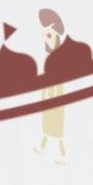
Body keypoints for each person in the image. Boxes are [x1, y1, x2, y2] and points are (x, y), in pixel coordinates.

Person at [34, 10, 66, 163]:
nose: (47, 40)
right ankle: (43, 146)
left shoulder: (57, 56)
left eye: (50, 36)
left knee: (57, 127)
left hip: (55, 92)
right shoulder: (48, 56)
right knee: (46, 123)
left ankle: (62, 155)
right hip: (47, 91)